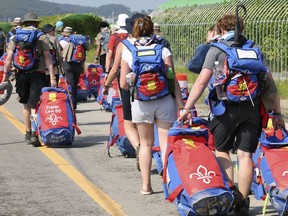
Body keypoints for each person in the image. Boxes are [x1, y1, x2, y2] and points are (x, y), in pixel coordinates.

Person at [178, 13, 286, 215]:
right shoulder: (254, 49)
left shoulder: (217, 49)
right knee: (245, 155)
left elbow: (201, 81)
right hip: (251, 109)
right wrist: (277, 113)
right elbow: (270, 86)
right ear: (241, 29)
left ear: (220, 30)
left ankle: (229, 197)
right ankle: (243, 202)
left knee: (222, 151)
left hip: (224, 109)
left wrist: (186, 108)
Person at [119, 16, 183, 195]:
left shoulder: (128, 50)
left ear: (135, 30)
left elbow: (124, 85)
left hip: (141, 103)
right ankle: (169, 184)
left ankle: (146, 186)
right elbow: (171, 77)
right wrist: (180, 103)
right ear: (152, 30)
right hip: (164, 101)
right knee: (165, 144)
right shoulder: (162, 50)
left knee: (146, 144)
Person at [2, 12, 56, 147]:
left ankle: (26, 133)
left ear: (24, 23)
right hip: (37, 74)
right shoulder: (41, 36)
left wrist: (5, 75)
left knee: (25, 105)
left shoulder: (15, 37)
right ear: (37, 23)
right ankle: (34, 133)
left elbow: (8, 58)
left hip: (21, 74)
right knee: (35, 106)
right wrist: (53, 76)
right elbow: (48, 57)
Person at [103, 13, 146, 170]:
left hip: (130, 87)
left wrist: (106, 85)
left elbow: (115, 70)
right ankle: (151, 150)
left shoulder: (125, 44)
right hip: (154, 90)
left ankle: (139, 148)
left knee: (129, 123)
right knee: (149, 123)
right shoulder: (159, 43)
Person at [59, 26, 87, 110]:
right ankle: (74, 104)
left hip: (67, 64)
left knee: (69, 85)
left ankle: (70, 104)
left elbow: (60, 54)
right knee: (75, 85)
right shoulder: (80, 41)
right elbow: (83, 55)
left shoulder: (62, 41)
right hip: (78, 65)